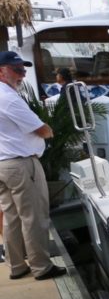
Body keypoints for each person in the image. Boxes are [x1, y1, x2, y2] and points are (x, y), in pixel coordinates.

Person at [0, 51, 65, 280]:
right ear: (1, 71)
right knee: (33, 216)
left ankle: (17, 266)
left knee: (11, 217)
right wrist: (48, 129)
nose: (22, 75)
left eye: (23, 70)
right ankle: (41, 267)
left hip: (3, 164)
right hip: (21, 164)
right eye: (17, 70)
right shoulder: (8, 97)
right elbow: (42, 130)